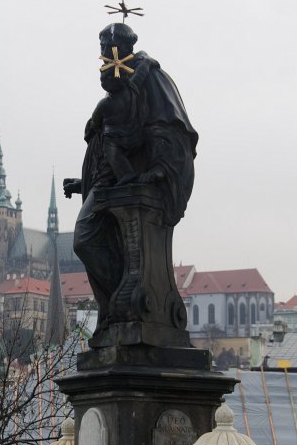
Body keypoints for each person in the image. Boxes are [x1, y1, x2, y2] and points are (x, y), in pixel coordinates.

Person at [64, 23, 198, 332]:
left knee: (84, 240)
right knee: (88, 243)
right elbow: (104, 149)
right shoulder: (122, 83)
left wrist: (160, 169)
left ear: (116, 48)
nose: (100, 55)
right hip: (105, 183)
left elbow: (167, 127)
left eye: (103, 48)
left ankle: (122, 304)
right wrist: (82, 182)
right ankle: (114, 307)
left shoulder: (146, 76)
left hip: (126, 184)